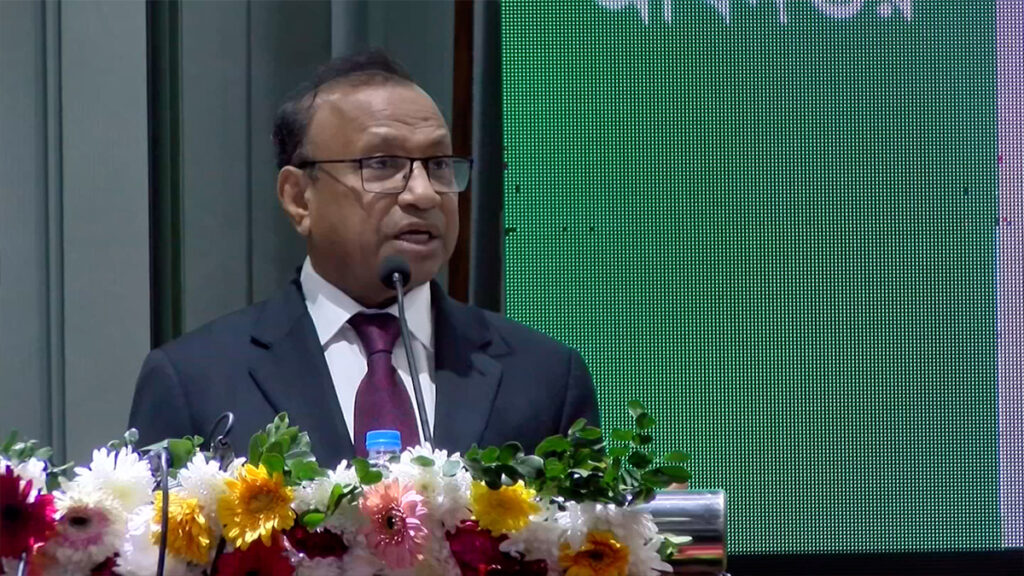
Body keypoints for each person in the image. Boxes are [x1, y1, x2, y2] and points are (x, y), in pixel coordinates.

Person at [128, 51, 599, 466]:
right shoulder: (194, 380)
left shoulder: (544, 377)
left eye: (438, 165)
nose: (423, 194)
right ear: (299, 198)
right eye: (382, 165)